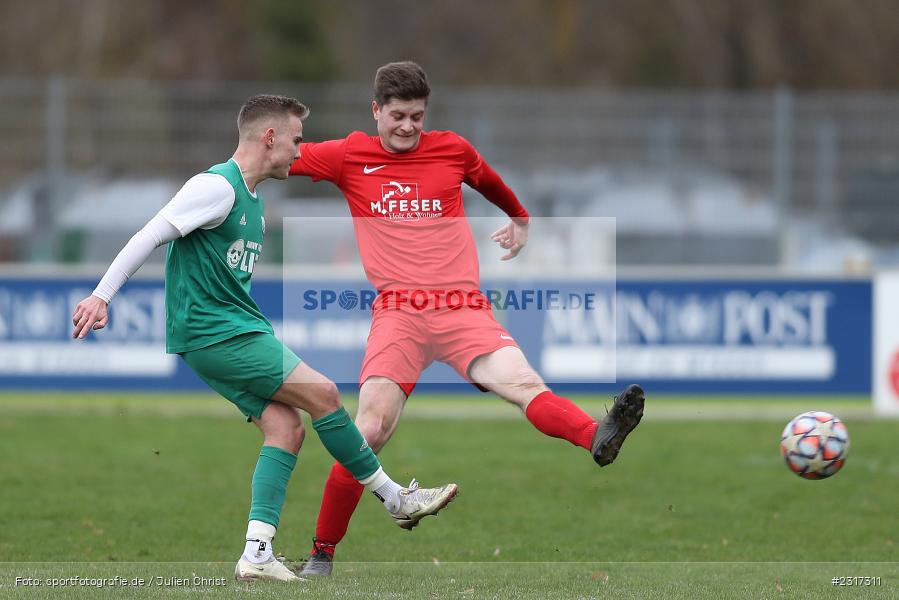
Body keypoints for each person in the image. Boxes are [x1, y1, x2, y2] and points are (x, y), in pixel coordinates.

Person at [71, 94, 458, 584]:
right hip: (216, 331)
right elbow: (148, 235)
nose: (300, 150)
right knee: (324, 394)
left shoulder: (253, 200)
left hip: (223, 332)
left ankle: (257, 552)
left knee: (286, 429)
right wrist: (101, 296)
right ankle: (395, 498)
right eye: (296, 139)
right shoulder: (216, 187)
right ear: (269, 138)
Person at [288, 62, 645, 576]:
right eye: (397, 116)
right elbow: (278, 158)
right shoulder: (348, 155)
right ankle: (321, 554)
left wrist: (519, 218)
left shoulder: (452, 149)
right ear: (376, 111)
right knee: (369, 429)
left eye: (416, 116)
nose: (407, 126)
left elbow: (490, 182)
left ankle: (596, 436)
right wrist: (227, 185)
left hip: (461, 307)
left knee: (525, 385)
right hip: (399, 313)